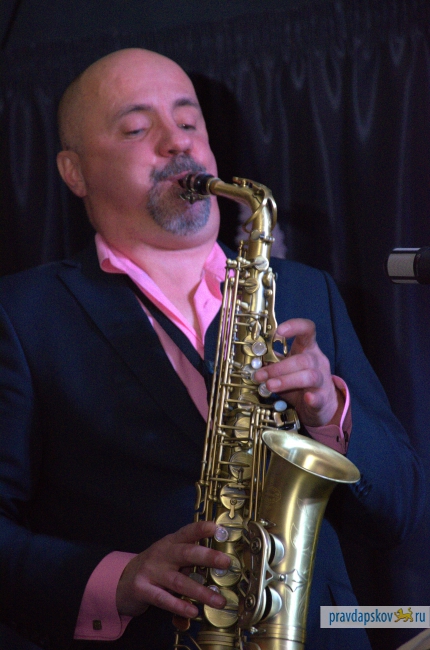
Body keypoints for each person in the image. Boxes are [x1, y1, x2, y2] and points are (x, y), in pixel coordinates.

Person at [0, 48, 424, 650]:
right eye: (137, 128)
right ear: (75, 172)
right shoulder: (22, 314)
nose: (178, 142)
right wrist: (115, 579)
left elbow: (402, 511)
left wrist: (331, 414)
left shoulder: (306, 290)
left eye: (188, 121)